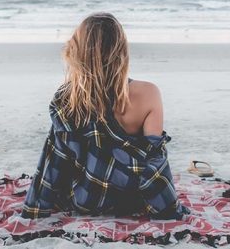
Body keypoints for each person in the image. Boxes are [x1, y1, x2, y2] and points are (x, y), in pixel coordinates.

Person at [20, 12, 189, 220]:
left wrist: (35, 210)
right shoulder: (148, 93)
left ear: (79, 53)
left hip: (86, 200)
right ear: (121, 50)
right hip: (134, 201)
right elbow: (154, 162)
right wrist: (167, 208)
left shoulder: (67, 97)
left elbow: (56, 160)